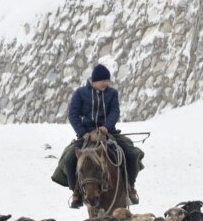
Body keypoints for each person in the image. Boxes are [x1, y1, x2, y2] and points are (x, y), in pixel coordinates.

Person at [52, 64, 141, 208]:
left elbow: (115, 112)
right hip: (85, 135)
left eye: (107, 80)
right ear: (94, 80)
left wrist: (106, 126)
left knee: (130, 154)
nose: (106, 83)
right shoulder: (80, 93)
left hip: (108, 133)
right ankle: (76, 193)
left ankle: (130, 187)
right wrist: (83, 132)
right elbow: (73, 115)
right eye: (103, 81)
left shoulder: (112, 93)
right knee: (69, 159)